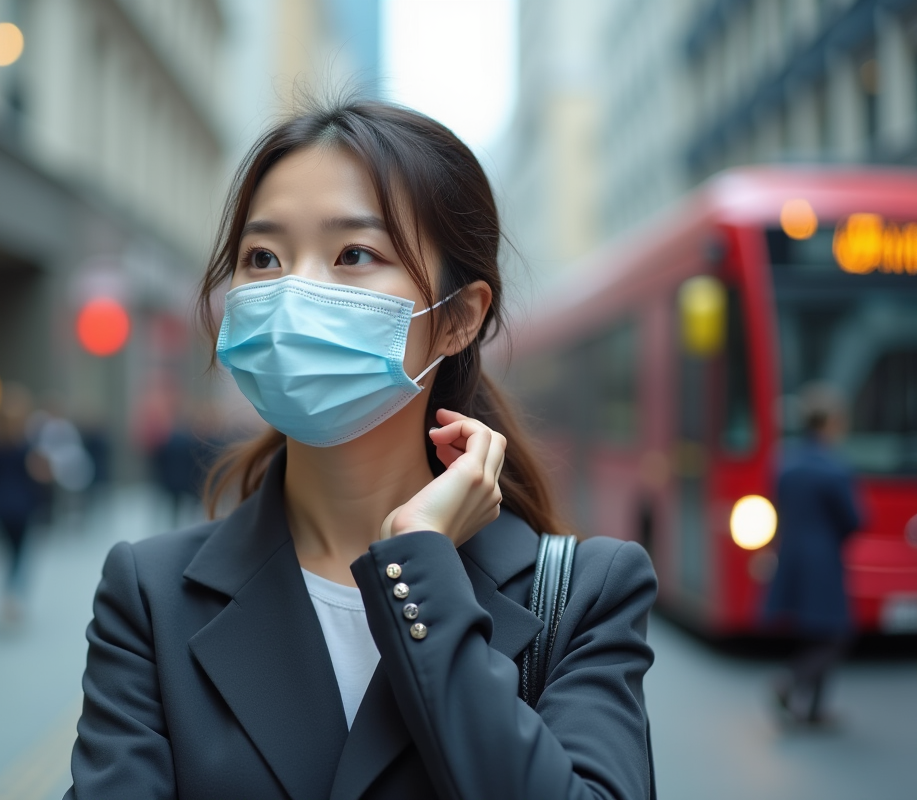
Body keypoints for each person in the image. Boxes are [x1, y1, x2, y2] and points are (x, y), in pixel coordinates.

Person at [64, 101, 657, 800]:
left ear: (457, 320)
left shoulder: (587, 594)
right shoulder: (150, 596)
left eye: (353, 255)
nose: (293, 292)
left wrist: (419, 566)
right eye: (262, 257)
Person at [764, 384, 861, 726]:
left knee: (814, 632)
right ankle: (791, 682)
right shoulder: (834, 469)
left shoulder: (785, 464)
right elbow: (853, 518)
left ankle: (815, 711)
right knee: (836, 635)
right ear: (831, 423)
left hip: (792, 557)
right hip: (823, 562)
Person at [0, 385, 45, 625]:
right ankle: (13, 596)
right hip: (23, 505)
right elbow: (35, 473)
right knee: (21, 553)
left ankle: (8, 594)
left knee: (8, 552)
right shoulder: (25, 444)